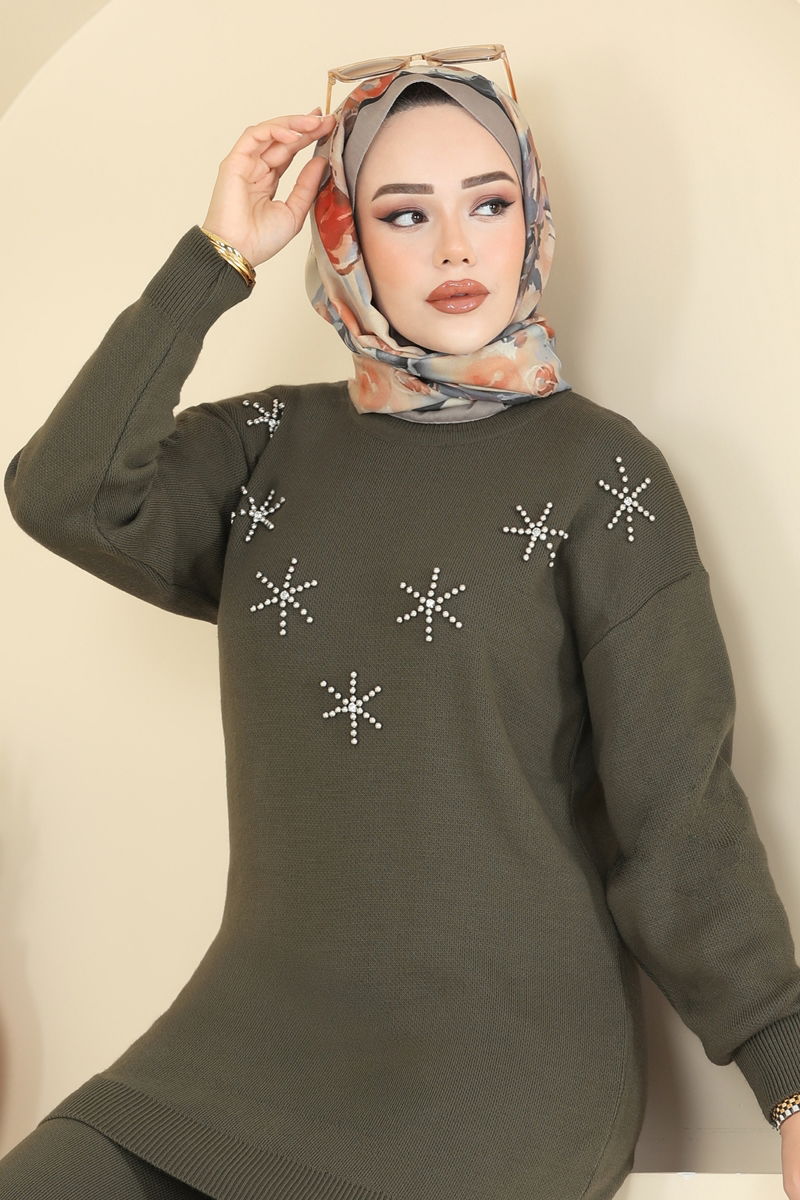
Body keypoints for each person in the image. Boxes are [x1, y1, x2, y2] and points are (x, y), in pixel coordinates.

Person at [3, 49, 800, 1200]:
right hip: (243, 1044)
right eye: (403, 213)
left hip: (502, 1070)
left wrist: (786, 1069)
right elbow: (62, 493)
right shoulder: (264, 447)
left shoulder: (601, 473)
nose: (455, 250)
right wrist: (217, 257)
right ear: (344, 235)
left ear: (531, 217)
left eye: (488, 202)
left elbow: (676, 810)